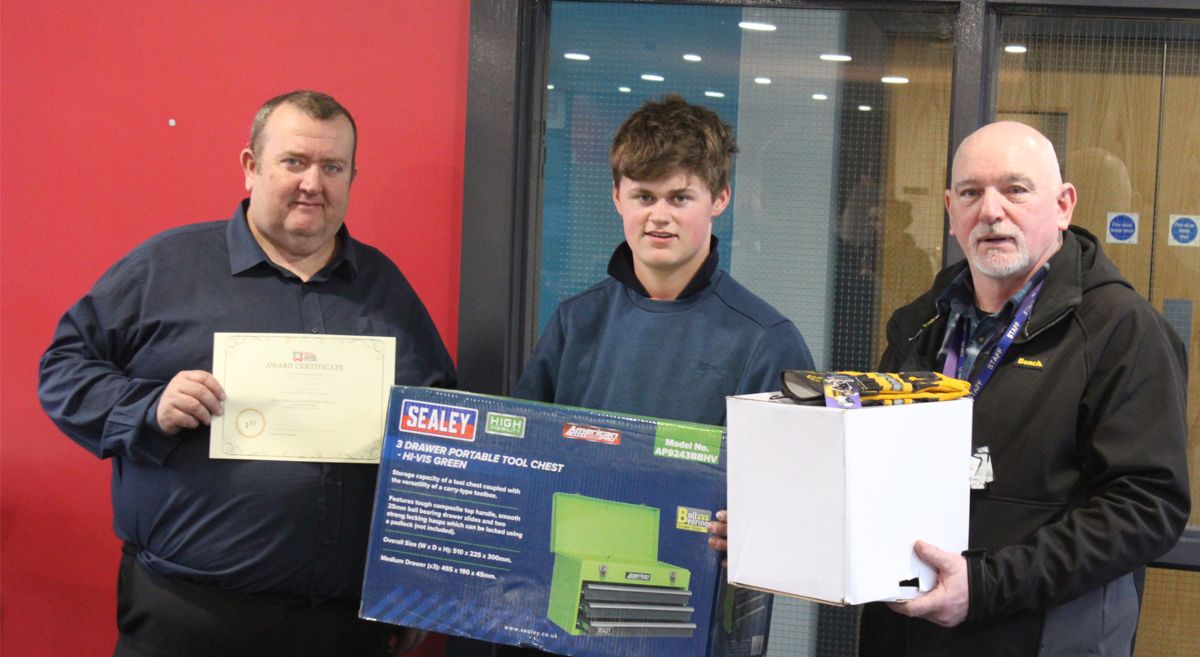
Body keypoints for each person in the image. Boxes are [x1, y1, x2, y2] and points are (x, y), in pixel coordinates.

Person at [38, 90, 456, 657]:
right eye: (294, 162)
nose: (313, 183)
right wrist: (149, 407)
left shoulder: (384, 287)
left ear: (352, 177)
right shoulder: (167, 266)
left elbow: (439, 430)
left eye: (333, 167)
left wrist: (415, 582)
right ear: (251, 166)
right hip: (191, 619)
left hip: (341, 627)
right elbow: (63, 368)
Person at [857, 121, 1190, 656]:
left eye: (1015, 189)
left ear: (1063, 205)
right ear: (951, 211)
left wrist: (987, 584)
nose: (990, 211)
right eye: (971, 193)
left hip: (1044, 638)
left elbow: (1146, 507)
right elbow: (874, 467)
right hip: (908, 632)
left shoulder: (1121, 330)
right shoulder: (919, 325)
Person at [514, 94, 813, 424]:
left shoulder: (767, 342)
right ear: (617, 197)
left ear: (720, 198)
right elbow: (523, 441)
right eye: (644, 197)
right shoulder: (575, 322)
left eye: (679, 198)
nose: (659, 216)